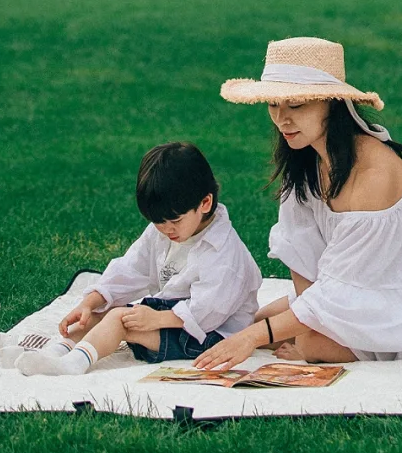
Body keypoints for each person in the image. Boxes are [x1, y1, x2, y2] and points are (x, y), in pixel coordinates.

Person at [195, 37, 402, 370]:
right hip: (363, 285)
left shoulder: (373, 175)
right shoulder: (307, 159)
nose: (281, 119)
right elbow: (300, 248)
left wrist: (272, 338)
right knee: (261, 321)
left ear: (332, 103)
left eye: (296, 105)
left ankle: (347, 343)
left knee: (292, 338)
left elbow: (338, 289)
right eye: (273, 104)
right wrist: (291, 323)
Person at [15, 142, 262, 376]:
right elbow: (131, 269)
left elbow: (208, 312)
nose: (167, 230)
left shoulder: (225, 254)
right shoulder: (165, 231)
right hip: (174, 314)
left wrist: (155, 319)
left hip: (212, 335)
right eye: (157, 222)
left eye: (175, 221)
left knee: (119, 319)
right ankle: (55, 353)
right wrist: (89, 303)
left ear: (205, 203)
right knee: (102, 311)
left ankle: (73, 365)